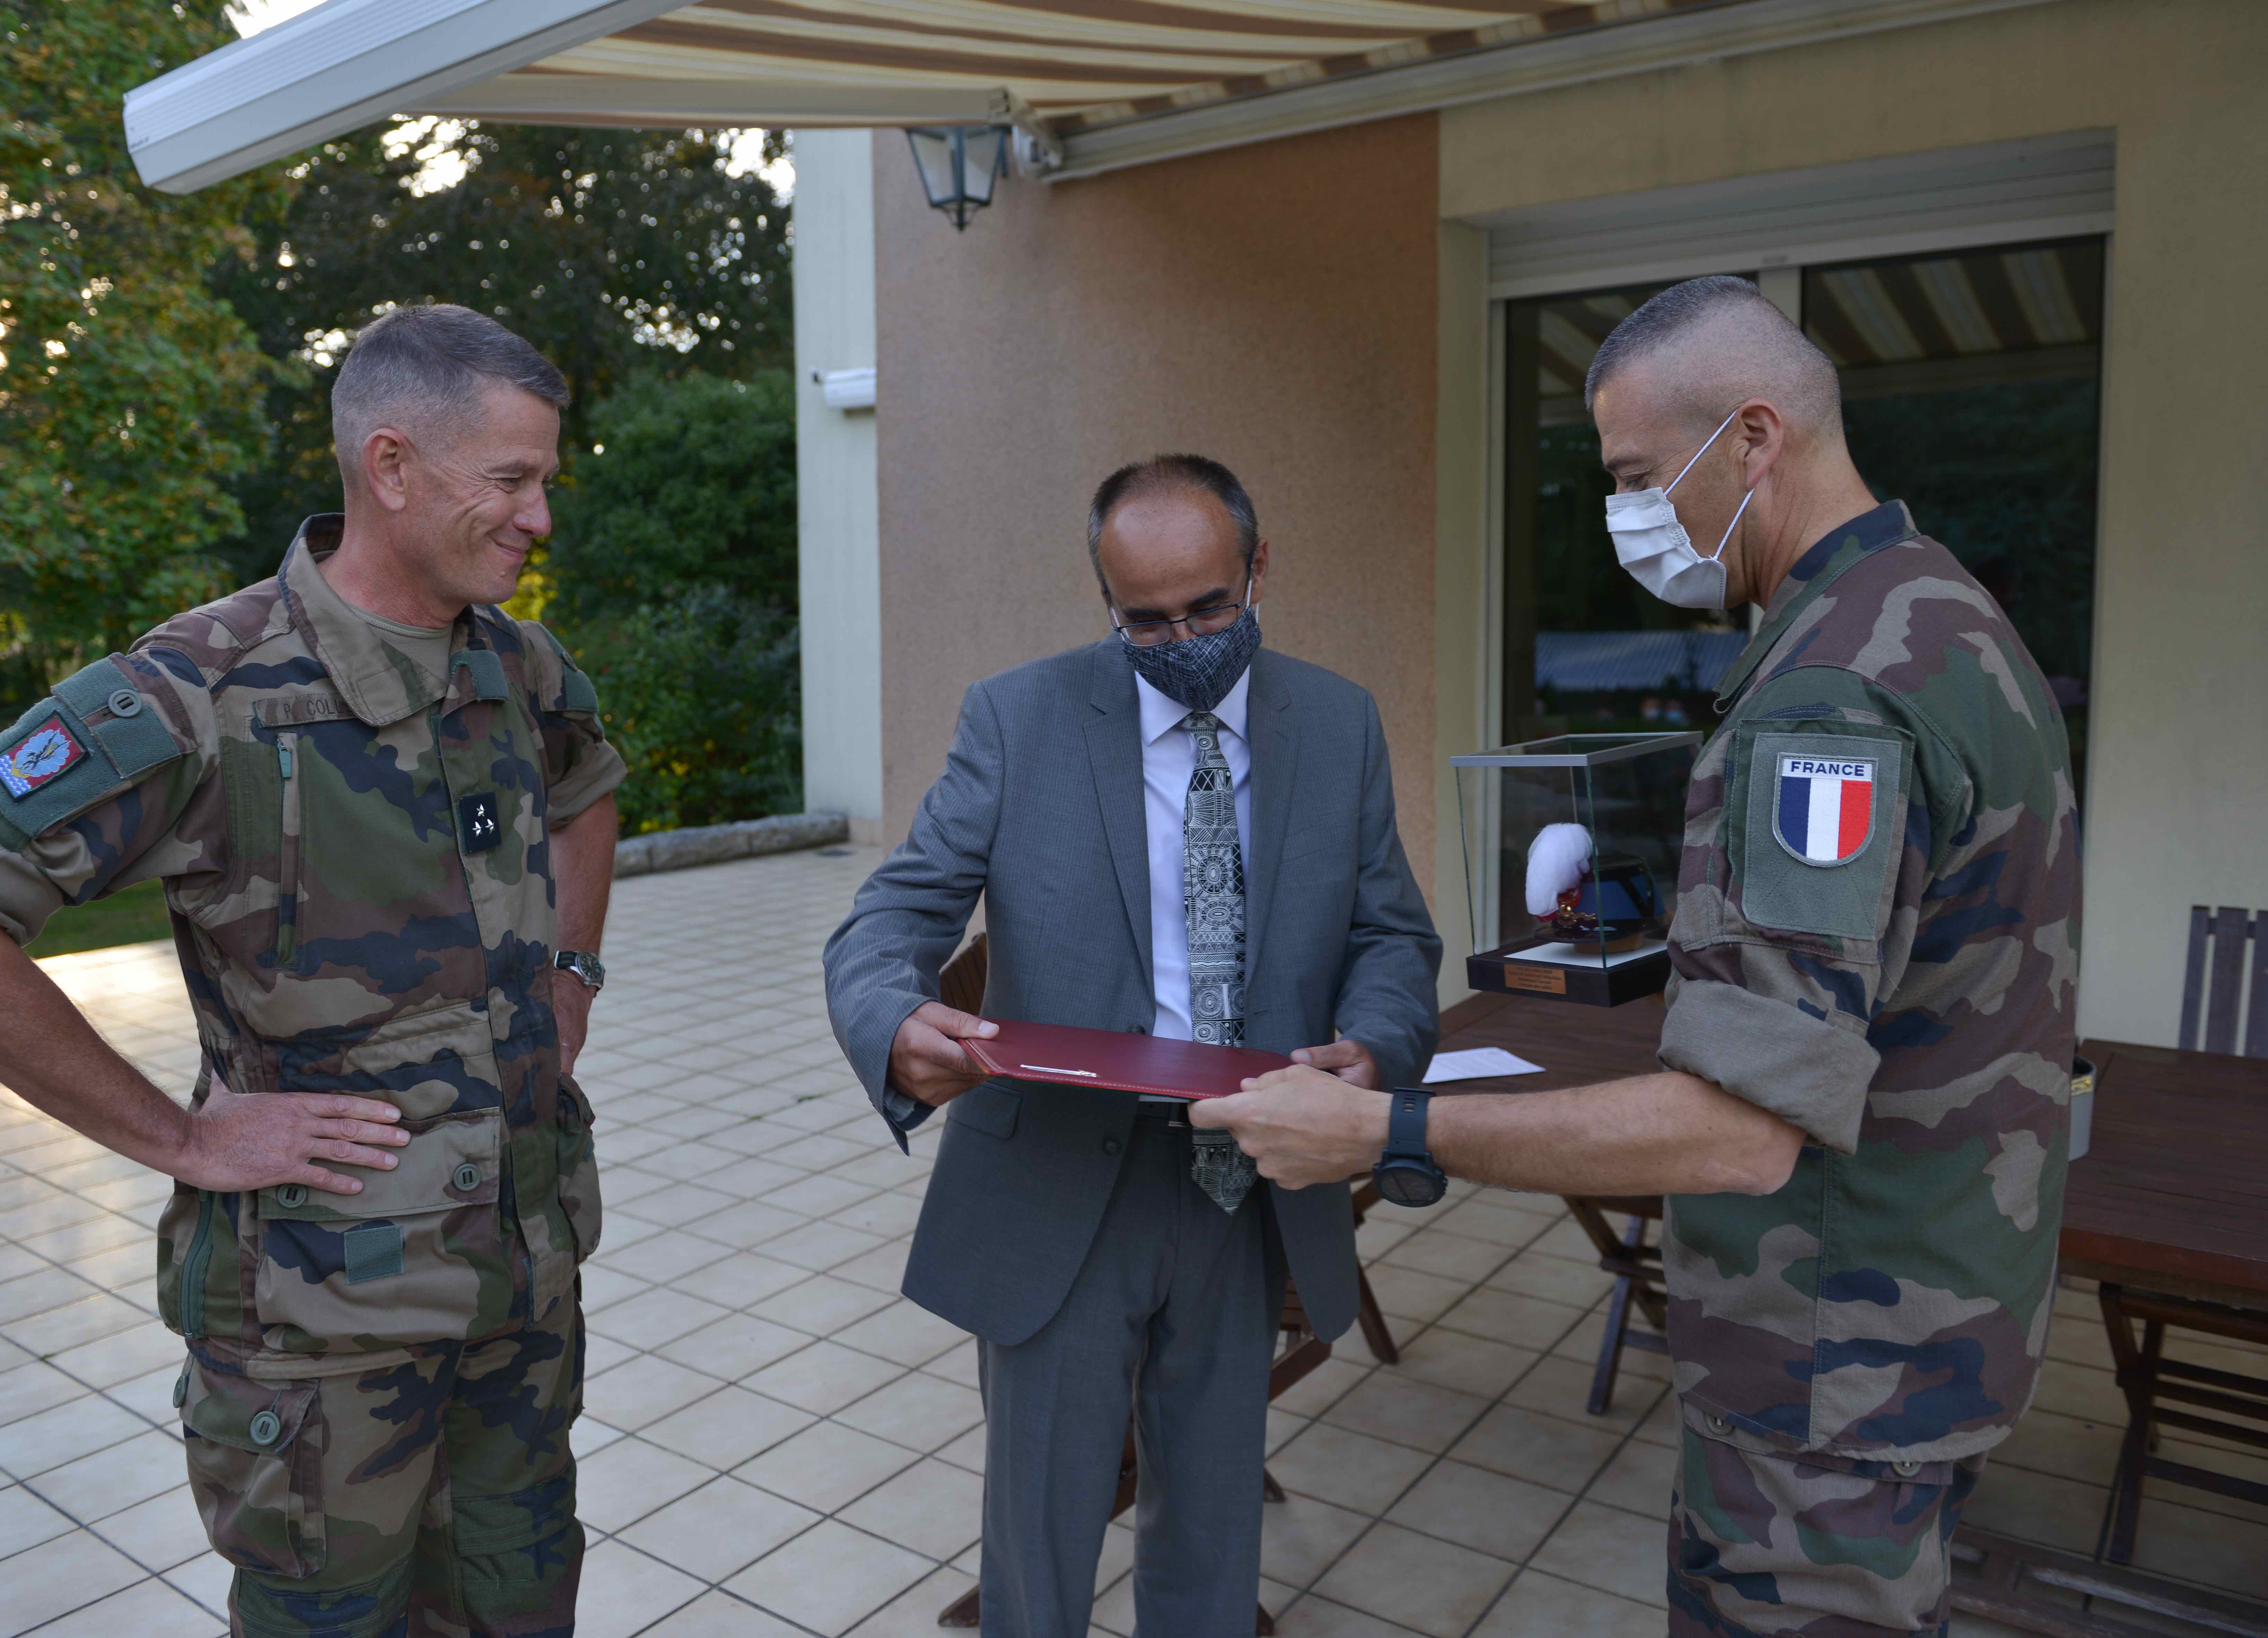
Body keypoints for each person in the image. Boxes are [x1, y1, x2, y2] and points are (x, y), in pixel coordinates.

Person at [1194, 276, 2081, 1638]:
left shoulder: (1829, 701)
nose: (1627, 514)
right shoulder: (1945, 615)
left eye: (1634, 474)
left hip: (1832, 1365)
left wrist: (1381, 1128)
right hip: (1928, 1325)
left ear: (1753, 439)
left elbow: (1734, 1134)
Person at [0, 303, 625, 1638]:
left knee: (520, 1608)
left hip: (524, 1289)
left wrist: (569, 976)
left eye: (544, 480)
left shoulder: (515, 663)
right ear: (392, 467)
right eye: (511, 480)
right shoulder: (196, 690)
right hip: (322, 1338)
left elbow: (589, 789)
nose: (539, 516)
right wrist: (181, 1137)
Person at [823, 454, 1441, 1636]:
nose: (1182, 637)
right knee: (1040, 1535)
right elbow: (895, 912)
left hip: (1243, 1181)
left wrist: (1373, 1040)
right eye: (1144, 620)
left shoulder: (1338, 719)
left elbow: (1390, 934)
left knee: (1212, 1524)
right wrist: (892, 1018)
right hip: (1059, 1176)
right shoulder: (1018, 715)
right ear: (1104, 600)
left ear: (1259, 570)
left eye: (1208, 607)